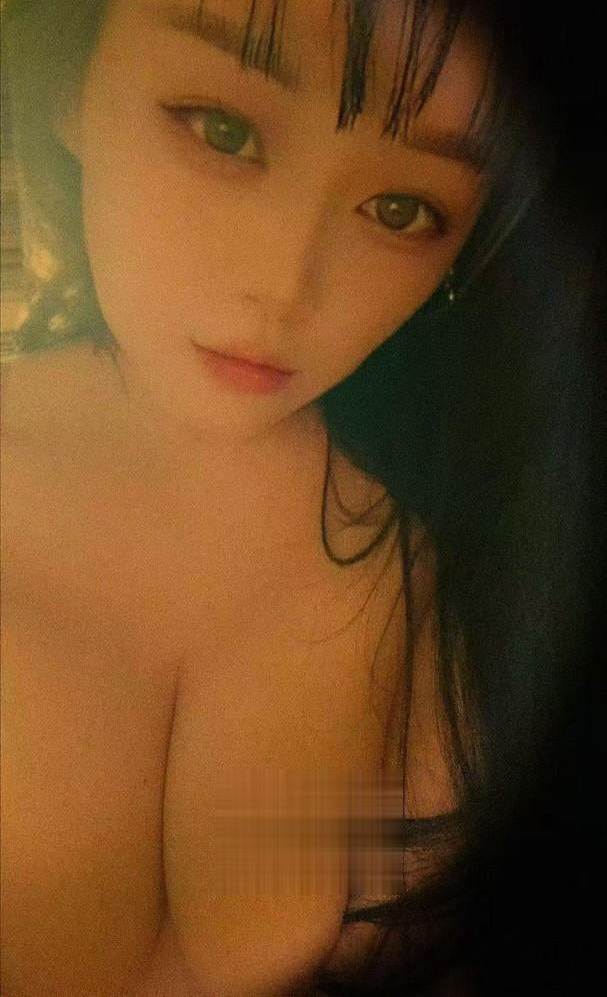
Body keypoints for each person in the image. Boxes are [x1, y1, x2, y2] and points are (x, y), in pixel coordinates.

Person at [0, 1, 602, 994]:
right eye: (223, 130)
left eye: (401, 210)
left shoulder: (464, 539)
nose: (285, 285)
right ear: (68, 84)